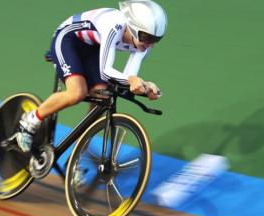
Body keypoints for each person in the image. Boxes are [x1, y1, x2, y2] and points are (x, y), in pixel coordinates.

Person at [16, 0, 168, 152]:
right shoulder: (114, 26)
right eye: (147, 38)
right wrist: (132, 80)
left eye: (156, 39)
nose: (151, 45)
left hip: (93, 46)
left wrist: (145, 87)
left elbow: (128, 78)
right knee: (77, 92)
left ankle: (76, 160)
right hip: (68, 39)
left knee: (102, 98)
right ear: (134, 27)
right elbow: (106, 71)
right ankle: (30, 120)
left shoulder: (143, 46)